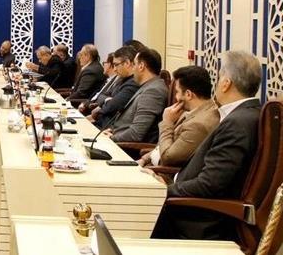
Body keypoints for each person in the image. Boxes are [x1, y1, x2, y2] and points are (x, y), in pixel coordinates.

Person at [152, 51, 262, 241]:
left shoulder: (237, 123)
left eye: (219, 79)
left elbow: (209, 184)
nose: (217, 85)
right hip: (186, 200)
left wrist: (164, 190)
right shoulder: (247, 115)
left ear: (226, 83)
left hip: (193, 217)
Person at [139, 65, 219, 169]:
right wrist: (144, 159)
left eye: (177, 92)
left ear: (188, 94)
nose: (176, 97)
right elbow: (163, 145)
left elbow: (167, 158)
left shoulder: (198, 125)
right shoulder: (191, 112)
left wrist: (167, 122)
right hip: (149, 166)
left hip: (161, 174)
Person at [105, 48, 169, 143]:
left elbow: (136, 134)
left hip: (125, 147)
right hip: (117, 136)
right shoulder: (147, 86)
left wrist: (111, 138)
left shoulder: (153, 92)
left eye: (134, 64)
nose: (132, 68)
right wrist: (112, 131)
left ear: (141, 66)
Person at [88, 46, 140, 127]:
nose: (114, 69)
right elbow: (103, 96)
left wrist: (100, 109)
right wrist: (107, 100)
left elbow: (113, 106)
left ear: (127, 63)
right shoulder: (121, 79)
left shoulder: (133, 83)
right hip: (102, 123)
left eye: (116, 65)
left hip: (109, 128)